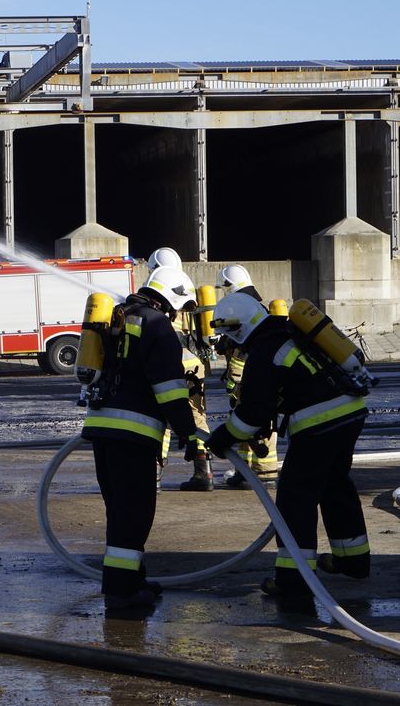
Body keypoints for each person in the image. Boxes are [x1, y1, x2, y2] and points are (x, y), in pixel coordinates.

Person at [207, 292, 370, 598]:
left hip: (318, 424)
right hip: (350, 412)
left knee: (296, 499)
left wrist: (222, 438)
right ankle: (354, 560)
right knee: (335, 485)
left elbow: (252, 414)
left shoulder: (262, 351)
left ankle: (293, 581)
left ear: (237, 329)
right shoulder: (288, 331)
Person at [81, 266, 199, 611]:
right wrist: (190, 436)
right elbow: (170, 391)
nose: (177, 316)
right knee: (134, 513)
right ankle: (122, 595)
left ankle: (132, 578)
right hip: (134, 433)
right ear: (172, 298)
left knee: (119, 510)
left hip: (103, 427)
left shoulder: (119, 316)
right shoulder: (157, 325)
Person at [145, 248, 213, 492]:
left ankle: (153, 474)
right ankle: (203, 473)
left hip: (168, 361)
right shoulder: (188, 290)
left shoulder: (159, 292)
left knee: (160, 414)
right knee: (197, 416)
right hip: (194, 364)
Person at [215, 264, 280, 489]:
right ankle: (251, 471)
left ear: (229, 287)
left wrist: (234, 380)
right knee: (248, 420)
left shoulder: (240, 310)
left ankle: (262, 470)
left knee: (255, 417)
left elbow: (243, 348)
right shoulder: (256, 306)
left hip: (247, 375)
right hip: (250, 374)